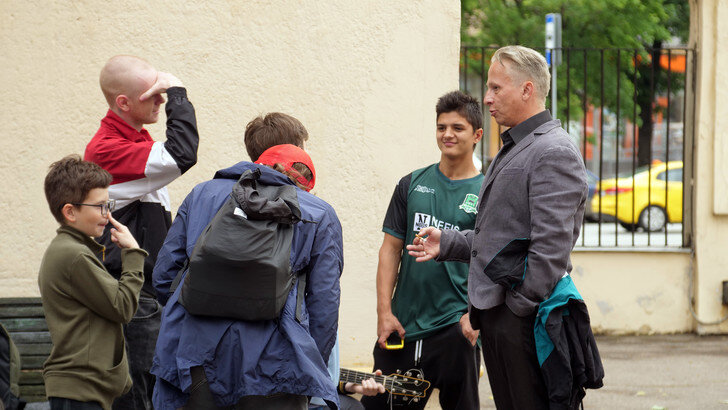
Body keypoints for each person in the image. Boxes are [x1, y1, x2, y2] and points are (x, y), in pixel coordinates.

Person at [406, 46, 589, 409]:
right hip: (502, 316)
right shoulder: (516, 146)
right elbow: (506, 236)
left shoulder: (553, 150)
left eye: (495, 88)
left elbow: (551, 249)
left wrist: (516, 311)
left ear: (527, 89)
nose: (486, 98)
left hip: (522, 319)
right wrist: (452, 242)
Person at [151, 114, 342, 409]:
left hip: (194, 357)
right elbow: (324, 306)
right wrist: (307, 368)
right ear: (296, 152)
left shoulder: (202, 194)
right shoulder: (317, 213)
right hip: (278, 366)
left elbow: (164, 276)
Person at [84, 55, 199, 410]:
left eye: (164, 95)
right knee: (138, 395)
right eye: (154, 94)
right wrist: (179, 92)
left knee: (151, 391)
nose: (161, 101)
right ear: (123, 102)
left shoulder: (134, 141)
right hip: (133, 294)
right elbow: (182, 153)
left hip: (148, 293)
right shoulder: (107, 150)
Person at [361, 91, 484, 410]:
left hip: (455, 327)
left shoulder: (486, 192)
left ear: (477, 135)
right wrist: (384, 313)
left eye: (458, 127)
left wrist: (476, 316)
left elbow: (492, 261)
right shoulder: (411, 184)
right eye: (442, 127)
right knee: (378, 406)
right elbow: (389, 250)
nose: (447, 134)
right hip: (402, 327)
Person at [38, 155, 147, 410]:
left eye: (108, 204)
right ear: (70, 211)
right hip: (79, 391)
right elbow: (123, 307)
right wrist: (133, 253)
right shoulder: (74, 255)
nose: (107, 214)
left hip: (81, 390)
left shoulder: (72, 249)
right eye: (99, 206)